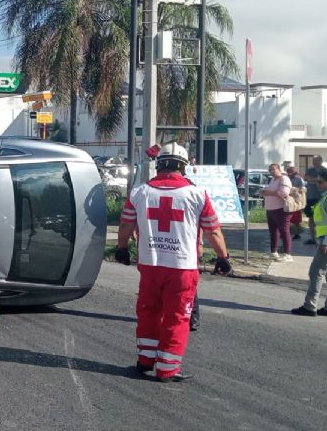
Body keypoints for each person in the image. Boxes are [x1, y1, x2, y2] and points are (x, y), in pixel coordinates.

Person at [115, 142, 232, 382]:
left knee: (148, 310)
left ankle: (145, 360)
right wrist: (223, 258)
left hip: (150, 263)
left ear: (159, 165)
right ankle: (167, 368)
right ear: (184, 166)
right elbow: (213, 231)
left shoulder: (139, 192)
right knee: (177, 316)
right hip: (182, 267)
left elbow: (126, 224)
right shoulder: (197, 194)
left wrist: (122, 248)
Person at [292, 167, 327, 317]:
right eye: (316, 182)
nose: (317, 184)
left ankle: (310, 306)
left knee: (316, 272)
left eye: (320, 182)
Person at [261, 163, 293, 262]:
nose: (271, 172)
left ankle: (287, 254)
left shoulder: (284, 179)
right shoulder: (273, 180)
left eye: (273, 169)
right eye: (270, 170)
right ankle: (273, 252)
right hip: (271, 209)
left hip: (280, 209)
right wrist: (264, 192)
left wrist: (268, 193)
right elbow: (273, 192)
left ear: (279, 169)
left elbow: (284, 193)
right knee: (273, 232)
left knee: (284, 231)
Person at [303, 156, 325, 244]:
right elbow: (305, 178)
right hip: (311, 197)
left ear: (321, 161)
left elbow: (326, 180)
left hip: (321, 198)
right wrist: (317, 179)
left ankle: (322, 239)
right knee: (311, 219)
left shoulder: (325, 170)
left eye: (316, 160)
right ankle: (313, 239)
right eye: (313, 161)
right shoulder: (310, 170)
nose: (314, 162)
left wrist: (312, 179)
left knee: (321, 219)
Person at [286, 166, 305, 240]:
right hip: (287, 201)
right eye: (289, 172)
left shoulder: (299, 179)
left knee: (296, 219)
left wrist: (294, 190)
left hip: (296, 201)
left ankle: (297, 234)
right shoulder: (286, 179)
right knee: (287, 218)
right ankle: (287, 233)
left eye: (292, 171)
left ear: (295, 172)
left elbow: (302, 190)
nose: (290, 173)